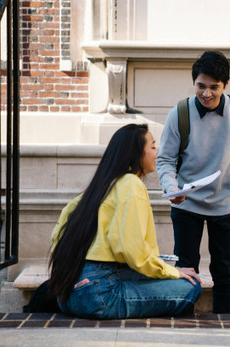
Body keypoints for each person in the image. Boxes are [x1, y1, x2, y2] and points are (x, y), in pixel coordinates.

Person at [48, 123, 202, 319]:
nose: (157, 152)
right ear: (137, 153)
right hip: (99, 297)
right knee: (191, 287)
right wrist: (169, 272)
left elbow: (57, 237)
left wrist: (169, 270)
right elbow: (132, 249)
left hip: (66, 296)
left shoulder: (97, 188)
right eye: (153, 146)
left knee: (170, 274)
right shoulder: (131, 185)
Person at [156, 51, 230, 314]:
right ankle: (184, 330)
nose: (207, 93)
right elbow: (165, 160)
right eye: (201, 86)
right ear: (194, 83)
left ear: (226, 85)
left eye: (214, 87)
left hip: (226, 205)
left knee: (225, 273)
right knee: (186, 271)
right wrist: (171, 189)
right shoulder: (179, 113)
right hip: (186, 204)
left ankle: (227, 330)